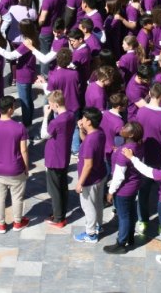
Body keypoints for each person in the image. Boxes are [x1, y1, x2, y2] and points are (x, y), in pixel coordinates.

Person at [0, 95, 30, 233]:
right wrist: (26, 167)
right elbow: (24, 150)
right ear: (11, 109)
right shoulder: (19, 128)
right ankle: (17, 222)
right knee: (17, 197)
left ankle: (1, 224)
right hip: (15, 168)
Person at [103, 121, 144, 254]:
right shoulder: (138, 146)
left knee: (123, 216)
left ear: (131, 134)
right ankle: (130, 237)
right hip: (134, 185)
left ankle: (121, 243)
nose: (122, 127)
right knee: (131, 213)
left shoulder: (123, 152)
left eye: (126, 127)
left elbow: (119, 176)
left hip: (123, 189)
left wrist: (110, 192)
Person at [41, 90, 76, 228]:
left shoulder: (56, 122)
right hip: (64, 155)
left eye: (50, 104)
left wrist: (45, 117)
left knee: (54, 189)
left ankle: (58, 218)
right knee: (62, 186)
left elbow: (44, 134)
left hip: (54, 158)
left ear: (55, 104)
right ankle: (60, 212)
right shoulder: (70, 115)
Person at [73, 107, 107, 243]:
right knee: (98, 202)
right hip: (101, 174)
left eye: (83, 118)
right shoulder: (99, 133)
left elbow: (88, 164)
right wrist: (81, 129)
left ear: (88, 121)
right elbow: (85, 139)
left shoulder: (89, 142)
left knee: (88, 206)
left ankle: (91, 233)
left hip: (90, 180)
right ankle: (98, 226)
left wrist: (80, 182)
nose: (81, 120)